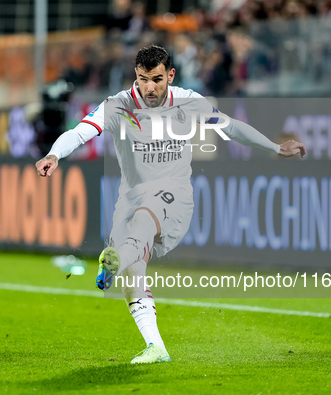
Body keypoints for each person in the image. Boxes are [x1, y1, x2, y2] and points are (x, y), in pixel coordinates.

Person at [35, 45, 306, 365]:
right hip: (131, 197)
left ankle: (116, 259)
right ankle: (156, 346)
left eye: (157, 79)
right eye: (142, 79)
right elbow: (81, 132)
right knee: (133, 278)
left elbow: (230, 127)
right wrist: (55, 154)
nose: (149, 87)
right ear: (135, 76)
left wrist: (275, 147)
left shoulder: (189, 102)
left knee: (144, 223)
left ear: (171, 75)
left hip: (173, 196)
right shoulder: (118, 105)